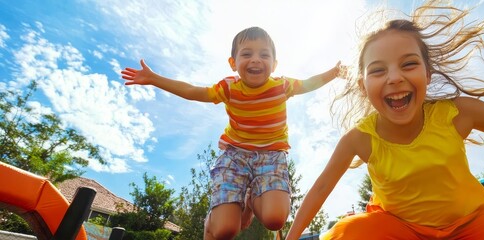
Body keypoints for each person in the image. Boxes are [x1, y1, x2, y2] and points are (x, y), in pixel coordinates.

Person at [285, 1, 484, 239]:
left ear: (427, 74)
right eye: (378, 70)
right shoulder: (360, 138)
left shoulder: (457, 113)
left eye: (409, 64)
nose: (395, 77)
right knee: (349, 233)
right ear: (363, 85)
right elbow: (320, 189)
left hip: (474, 223)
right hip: (400, 229)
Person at [121, 26, 343, 240]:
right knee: (225, 231)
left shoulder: (282, 86)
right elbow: (192, 91)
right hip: (235, 157)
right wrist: (154, 79)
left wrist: (334, 73)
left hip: (272, 157)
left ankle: (250, 198)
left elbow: (309, 83)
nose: (256, 59)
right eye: (247, 54)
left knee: (275, 220)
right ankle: (212, 223)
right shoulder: (229, 88)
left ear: (274, 64)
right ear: (233, 63)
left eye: (264, 55)